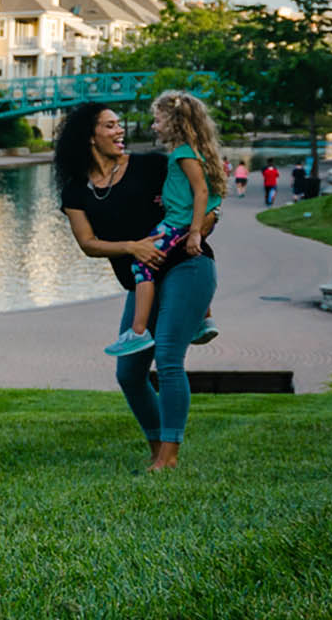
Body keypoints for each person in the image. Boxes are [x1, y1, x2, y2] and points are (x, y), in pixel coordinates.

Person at [55, 103, 219, 473]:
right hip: (142, 281)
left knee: (169, 357)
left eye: (119, 125)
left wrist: (201, 228)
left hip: (186, 266)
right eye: (110, 125)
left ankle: (169, 457)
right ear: (89, 136)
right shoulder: (76, 191)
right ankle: (157, 447)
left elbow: (206, 194)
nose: (120, 131)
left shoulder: (152, 166)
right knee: (129, 373)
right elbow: (88, 243)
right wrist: (133, 247)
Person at [104, 90, 225, 358]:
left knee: (141, 264)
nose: (154, 126)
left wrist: (195, 232)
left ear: (175, 123)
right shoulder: (190, 151)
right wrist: (168, 197)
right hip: (181, 219)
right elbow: (189, 189)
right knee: (171, 259)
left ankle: (138, 331)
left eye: (158, 121)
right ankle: (204, 320)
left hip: (178, 224)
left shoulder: (183, 153)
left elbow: (201, 191)